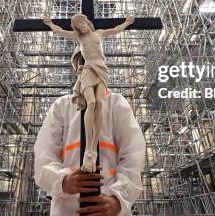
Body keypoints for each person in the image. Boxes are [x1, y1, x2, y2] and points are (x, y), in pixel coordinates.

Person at [34, 14, 146, 215]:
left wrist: (118, 200)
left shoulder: (117, 104)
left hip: (109, 207)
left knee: (96, 103)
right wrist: (63, 181)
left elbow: (134, 156)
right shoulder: (61, 107)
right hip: (68, 208)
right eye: (80, 62)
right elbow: (44, 155)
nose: (83, 65)